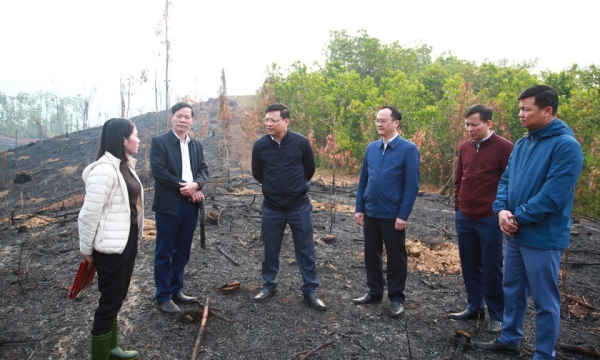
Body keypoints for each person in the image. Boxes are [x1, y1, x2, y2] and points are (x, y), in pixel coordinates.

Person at [474, 85, 584, 359]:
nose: (520, 114)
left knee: (545, 300)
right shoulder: (523, 143)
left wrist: (517, 217)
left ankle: (544, 353)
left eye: (526, 109)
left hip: (542, 237)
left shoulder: (566, 146)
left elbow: (552, 196)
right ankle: (510, 338)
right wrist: (501, 210)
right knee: (512, 288)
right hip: (514, 233)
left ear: (547, 111)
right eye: (520, 108)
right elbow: (505, 181)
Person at [251, 103, 326, 311]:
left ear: (286, 121)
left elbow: (309, 169)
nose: (269, 123)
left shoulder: (301, 142)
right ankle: (269, 285)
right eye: (266, 120)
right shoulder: (260, 145)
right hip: (272, 207)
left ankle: (310, 290)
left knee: (305, 248)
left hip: (299, 206)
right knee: (270, 248)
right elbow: (257, 173)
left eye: (273, 120)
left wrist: (295, 187)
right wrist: (272, 187)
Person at [79, 118, 143, 360]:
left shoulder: (124, 166)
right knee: (109, 301)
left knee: (118, 296)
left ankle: (111, 349)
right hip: (110, 248)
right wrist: (87, 250)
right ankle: (100, 355)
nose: (139, 140)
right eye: (135, 135)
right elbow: (88, 214)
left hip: (126, 242)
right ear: (124, 139)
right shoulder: (104, 171)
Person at [449, 104, 513, 332]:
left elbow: (510, 183)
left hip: (489, 217)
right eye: (466, 124)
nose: (469, 129)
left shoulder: (505, 148)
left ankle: (498, 315)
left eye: (474, 124)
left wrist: (502, 210)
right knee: (469, 263)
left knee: (492, 265)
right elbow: (460, 178)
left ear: (488, 123)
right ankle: (474, 306)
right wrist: (458, 205)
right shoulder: (465, 147)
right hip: (465, 215)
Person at [354, 105, 420, 317]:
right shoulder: (371, 148)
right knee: (371, 255)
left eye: (383, 120)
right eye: (377, 120)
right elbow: (364, 180)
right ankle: (374, 292)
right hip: (371, 211)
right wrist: (359, 208)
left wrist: (403, 215)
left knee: (396, 257)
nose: (379, 124)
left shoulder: (408, 150)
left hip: (392, 215)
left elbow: (412, 185)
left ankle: (396, 298)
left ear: (396, 123)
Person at [150, 102, 209, 314]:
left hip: (190, 206)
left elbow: (203, 170)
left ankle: (176, 289)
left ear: (192, 120)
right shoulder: (160, 142)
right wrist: (185, 188)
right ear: (172, 117)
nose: (183, 120)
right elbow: (159, 172)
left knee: (182, 251)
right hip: (169, 205)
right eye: (179, 116)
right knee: (164, 252)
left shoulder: (196, 145)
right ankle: (163, 296)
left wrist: (197, 185)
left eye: (187, 117)